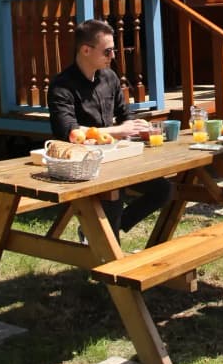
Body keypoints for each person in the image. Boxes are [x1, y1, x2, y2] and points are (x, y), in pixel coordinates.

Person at [48, 18, 172, 240]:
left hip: (116, 157)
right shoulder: (62, 85)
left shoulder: (110, 77)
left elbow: (125, 115)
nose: (113, 56)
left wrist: (139, 128)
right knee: (114, 197)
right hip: (82, 165)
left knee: (164, 190)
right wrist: (118, 131)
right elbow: (68, 131)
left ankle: (99, 234)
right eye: (108, 51)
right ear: (86, 50)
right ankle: (108, 257)